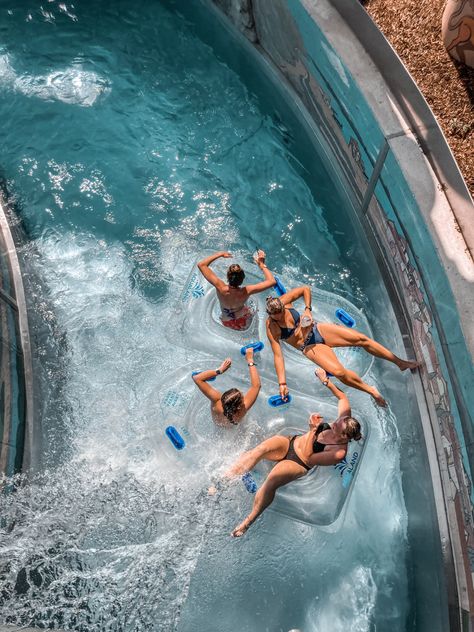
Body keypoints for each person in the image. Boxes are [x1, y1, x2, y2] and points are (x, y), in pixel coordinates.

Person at [226, 369, 361, 537]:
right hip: (291, 442)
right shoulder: (344, 420)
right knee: (260, 450)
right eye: (337, 421)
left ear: (343, 437)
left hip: (299, 462)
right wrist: (325, 380)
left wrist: (312, 430)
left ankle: (248, 522)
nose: (334, 423)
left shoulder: (339, 452)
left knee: (271, 482)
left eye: (336, 427)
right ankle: (224, 480)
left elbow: (310, 456)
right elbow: (343, 397)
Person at [265, 286, 419, 407]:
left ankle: (400, 363)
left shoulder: (284, 301)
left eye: (282, 312)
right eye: (277, 317)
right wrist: (282, 383)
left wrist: (307, 309)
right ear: (271, 315)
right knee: (338, 372)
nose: (281, 316)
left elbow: (305, 289)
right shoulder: (272, 328)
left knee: (362, 339)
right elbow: (278, 356)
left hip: (317, 329)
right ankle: (371, 391)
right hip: (309, 346)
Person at [197, 250, 276, 330]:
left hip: (227, 321)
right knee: (249, 310)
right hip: (243, 319)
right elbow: (272, 281)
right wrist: (261, 264)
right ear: (242, 279)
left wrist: (220, 254)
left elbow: (201, 265)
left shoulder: (220, 287)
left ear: (227, 277)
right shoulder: (246, 291)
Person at [192, 347, 261, 426]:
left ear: (223, 397)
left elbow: (197, 378)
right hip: (233, 428)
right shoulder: (242, 410)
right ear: (239, 406)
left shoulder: (217, 401)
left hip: (218, 426)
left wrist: (219, 370)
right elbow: (256, 385)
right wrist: (250, 360)